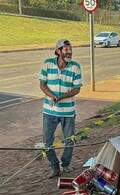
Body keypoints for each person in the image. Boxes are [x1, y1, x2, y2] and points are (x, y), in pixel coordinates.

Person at [39, 39, 83, 178]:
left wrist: (62, 97)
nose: (69, 52)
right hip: (49, 111)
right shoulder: (47, 64)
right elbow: (42, 84)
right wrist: (52, 96)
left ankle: (65, 164)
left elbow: (76, 89)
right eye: (66, 49)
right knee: (47, 142)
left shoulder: (75, 67)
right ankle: (55, 167)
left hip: (68, 112)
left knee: (69, 140)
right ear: (58, 51)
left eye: (70, 49)